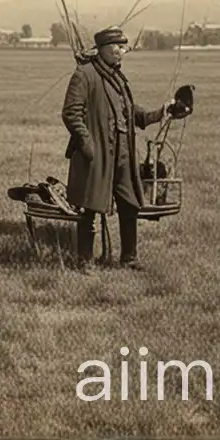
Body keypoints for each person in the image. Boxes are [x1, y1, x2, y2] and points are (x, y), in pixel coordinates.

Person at [61, 26, 175, 270]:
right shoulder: (85, 75)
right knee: (90, 206)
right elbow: (71, 114)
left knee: (129, 203)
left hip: (123, 152)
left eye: (123, 47)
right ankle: (85, 261)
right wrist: (86, 143)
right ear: (101, 49)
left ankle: (129, 258)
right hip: (96, 153)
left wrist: (162, 112)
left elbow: (130, 112)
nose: (121, 51)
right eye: (116, 47)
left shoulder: (117, 78)